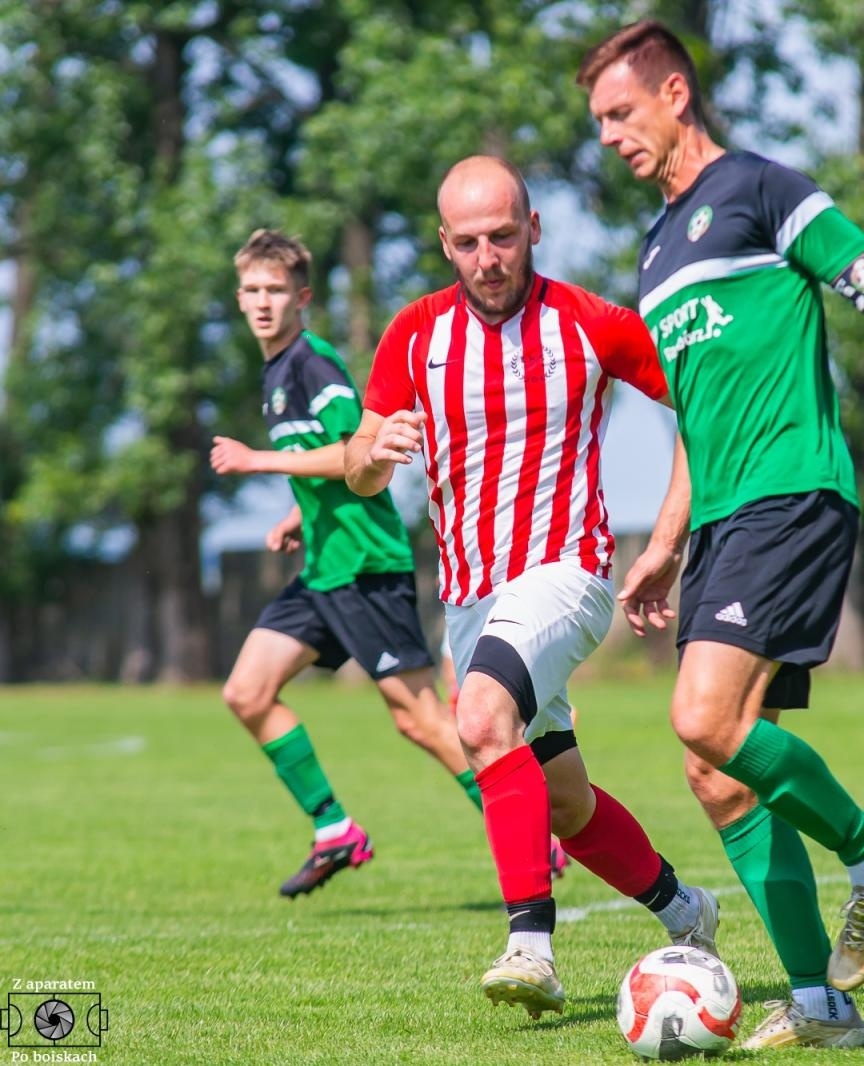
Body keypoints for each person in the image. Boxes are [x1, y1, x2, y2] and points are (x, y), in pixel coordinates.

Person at [578, 21, 864, 1050]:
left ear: (673, 92)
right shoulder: (656, 251)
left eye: (620, 113)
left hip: (792, 493)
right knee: (716, 772)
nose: (609, 137)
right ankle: (823, 1003)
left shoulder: (760, 189)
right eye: (599, 123)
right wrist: (663, 541)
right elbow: (694, 422)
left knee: (699, 719)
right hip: (719, 519)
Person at [344, 155, 718, 1020]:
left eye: (503, 236)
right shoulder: (413, 335)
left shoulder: (592, 324)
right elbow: (364, 468)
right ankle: (684, 911)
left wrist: (669, 536)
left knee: (479, 717)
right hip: (470, 604)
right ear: (444, 244)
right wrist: (371, 455)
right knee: (564, 801)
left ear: (534, 229)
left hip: (565, 576)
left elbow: (704, 405)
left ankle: (531, 947)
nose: (488, 257)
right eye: (468, 242)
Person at [213, 229, 482, 899]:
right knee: (246, 693)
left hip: (366, 566)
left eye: (276, 290)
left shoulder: (313, 365)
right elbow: (327, 467)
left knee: (419, 719)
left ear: (302, 297)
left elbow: (361, 453)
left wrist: (259, 461)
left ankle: (528, 836)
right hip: (325, 568)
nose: (263, 302)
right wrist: (297, 515)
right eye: (252, 290)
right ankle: (334, 828)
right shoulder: (275, 371)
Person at [440, 633, 570, 878]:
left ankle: (540, 846)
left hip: (501, 630)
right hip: (462, 606)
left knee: (569, 807)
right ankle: (534, 853)